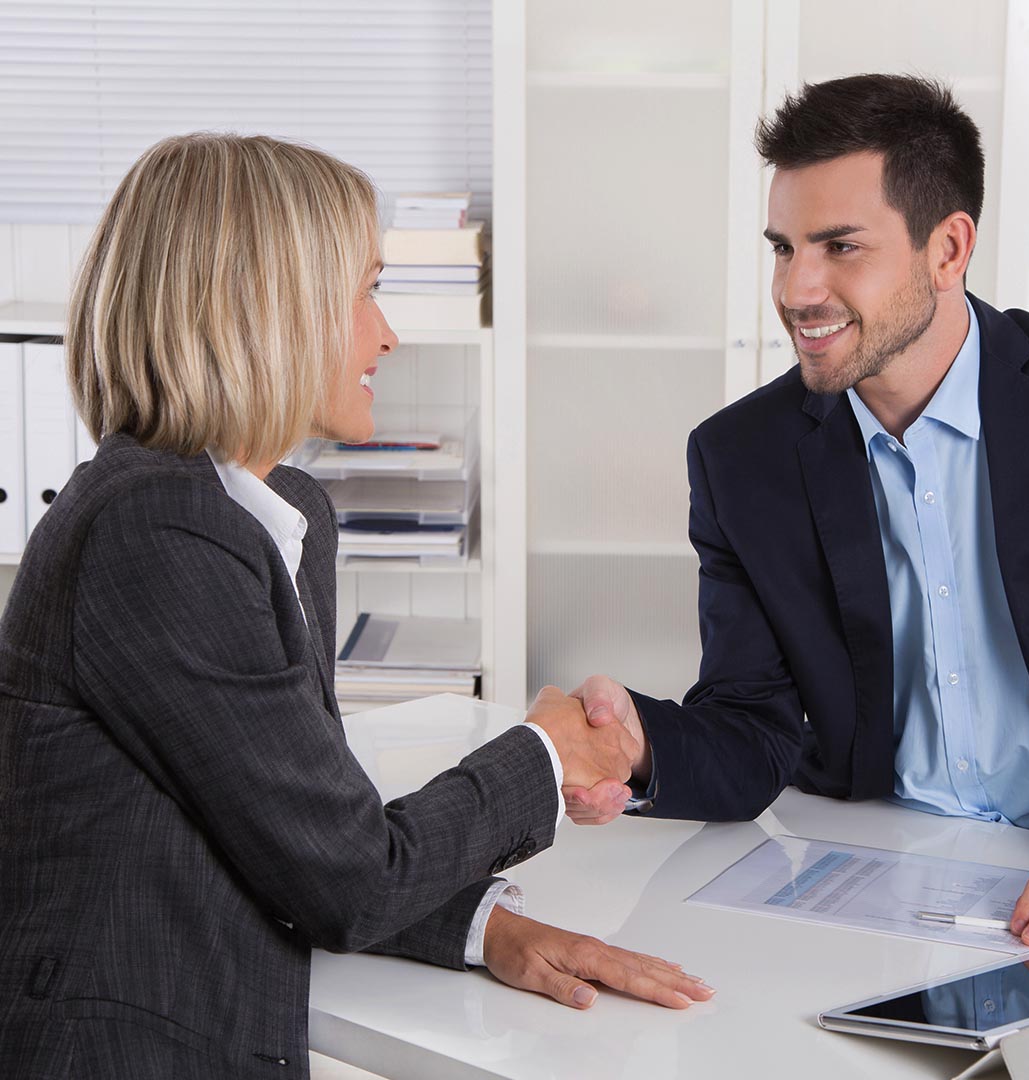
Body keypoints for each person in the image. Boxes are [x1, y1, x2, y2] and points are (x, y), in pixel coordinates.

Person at [0, 134, 712, 1080]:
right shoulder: (156, 532)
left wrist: (485, 928)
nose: (387, 334)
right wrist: (544, 753)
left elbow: (296, 838)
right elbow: (345, 875)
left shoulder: (280, 512)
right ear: (264, 310)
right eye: (364, 293)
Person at [564, 74, 1029, 955]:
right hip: (882, 874)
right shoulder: (742, 458)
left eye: (841, 246)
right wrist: (644, 747)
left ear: (949, 249)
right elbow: (750, 724)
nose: (799, 289)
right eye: (783, 247)